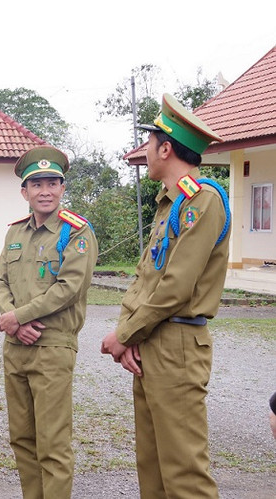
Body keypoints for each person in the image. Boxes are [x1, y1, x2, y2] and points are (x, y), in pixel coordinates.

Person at [101, 93, 229, 498]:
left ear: (166, 148)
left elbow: (176, 286)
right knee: (153, 468)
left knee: (185, 474)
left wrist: (124, 335)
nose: (147, 152)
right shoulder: (169, 204)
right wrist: (130, 334)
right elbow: (145, 277)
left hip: (176, 343)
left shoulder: (201, 201)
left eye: (150, 143)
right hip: (152, 339)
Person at [0, 145, 98, 498]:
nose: (45, 191)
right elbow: (0, 280)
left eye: (53, 183)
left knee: (52, 443)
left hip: (53, 347)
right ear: (25, 192)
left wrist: (17, 317)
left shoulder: (77, 232)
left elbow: (68, 288)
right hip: (16, 346)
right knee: (22, 438)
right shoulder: (15, 233)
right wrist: (14, 323)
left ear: (63, 188)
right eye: (37, 184)